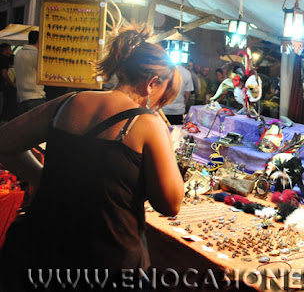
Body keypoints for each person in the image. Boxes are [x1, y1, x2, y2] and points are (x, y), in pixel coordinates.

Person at [0, 22, 184, 290]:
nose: (159, 106)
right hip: (106, 264)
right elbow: (170, 204)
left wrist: (41, 178)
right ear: (151, 84)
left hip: (43, 253)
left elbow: (5, 143)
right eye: (161, 97)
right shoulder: (147, 123)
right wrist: (163, 136)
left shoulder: (68, 102)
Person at [13, 31, 46, 114]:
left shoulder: (18, 53)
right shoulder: (37, 55)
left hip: (20, 97)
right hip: (36, 97)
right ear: (39, 40)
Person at [0, 43, 16, 121]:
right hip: (3, 87)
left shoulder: (5, 59)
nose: (11, 52)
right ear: (5, 50)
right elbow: (4, 74)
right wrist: (12, 84)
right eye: (9, 50)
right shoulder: (3, 59)